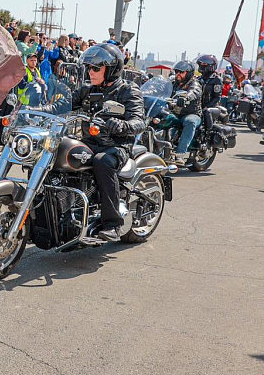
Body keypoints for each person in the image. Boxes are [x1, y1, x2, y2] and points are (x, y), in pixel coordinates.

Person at [41, 43, 145, 242]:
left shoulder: (128, 91)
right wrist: (37, 111)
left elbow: (139, 121)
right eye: (89, 67)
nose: (91, 71)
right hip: (89, 142)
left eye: (96, 68)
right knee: (57, 151)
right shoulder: (87, 90)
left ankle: (113, 223)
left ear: (112, 69)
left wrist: (122, 126)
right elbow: (64, 105)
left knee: (102, 161)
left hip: (116, 146)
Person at [170, 60, 202, 166]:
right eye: (176, 72)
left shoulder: (194, 83)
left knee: (190, 121)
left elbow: (194, 91)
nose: (178, 74)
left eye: (181, 72)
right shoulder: (174, 84)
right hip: (176, 113)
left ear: (188, 73)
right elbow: (162, 90)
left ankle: (180, 154)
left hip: (191, 114)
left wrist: (186, 97)